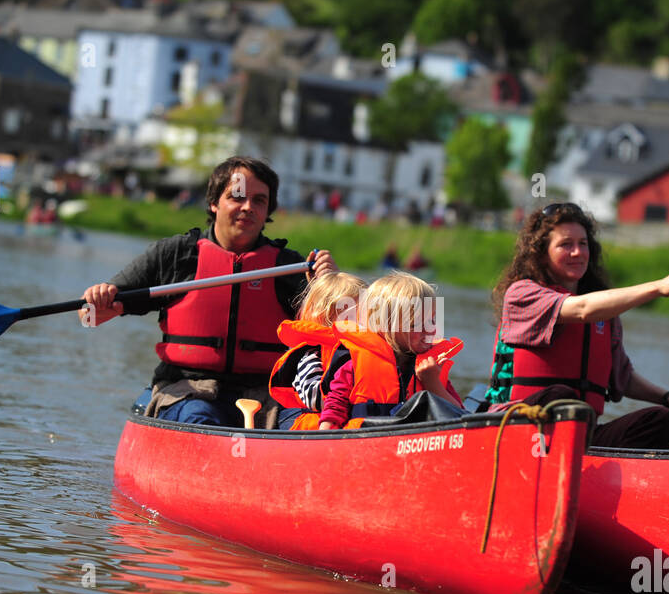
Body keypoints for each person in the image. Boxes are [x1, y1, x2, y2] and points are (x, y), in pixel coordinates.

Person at [79, 156, 337, 427]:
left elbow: (337, 328)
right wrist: (96, 300)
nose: (248, 207)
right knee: (200, 418)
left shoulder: (289, 267)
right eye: (237, 197)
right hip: (188, 390)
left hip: (267, 397)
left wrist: (330, 284)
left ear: (267, 210)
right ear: (214, 203)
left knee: (310, 425)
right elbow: (89, 317)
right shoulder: (175, 256)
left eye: (259, 200)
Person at [486, 201, 669, 449]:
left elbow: (622, 377)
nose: (577, 252)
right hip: (515, 430)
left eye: (583, 244)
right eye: (566, 244)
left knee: (660, 421)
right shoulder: (522, 294)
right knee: (561, 398)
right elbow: (581, 309)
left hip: (578, 436)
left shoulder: (603, 314)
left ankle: (596, 475)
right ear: (542, 254)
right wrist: (658, 287)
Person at [318, 271, 464, 430]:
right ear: (385, 326)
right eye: (416, 324)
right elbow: (334, 409)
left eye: (431, 320)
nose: (429, 330)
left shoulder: (432, 368)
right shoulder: (354, 365)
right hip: (366, 443)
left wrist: (432, 382)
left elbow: (460, 417)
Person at [268, 272, 367, 430]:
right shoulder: (311, 355)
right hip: (315, 424)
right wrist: (346, 393)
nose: (363, 323)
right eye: (356, 316)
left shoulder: (363, 351)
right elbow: (313, 398)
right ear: (325, 316)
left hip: (347, 418)